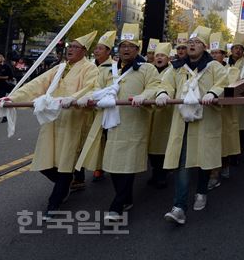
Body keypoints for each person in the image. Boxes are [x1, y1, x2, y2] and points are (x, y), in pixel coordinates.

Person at [0, 32, 99, 220]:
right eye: (70, 46)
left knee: (65, 163)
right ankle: (67, 182)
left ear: (84, 51)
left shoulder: (90, 69)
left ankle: (55, 201)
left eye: (75, 47)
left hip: (73, 121)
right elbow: (37, 84)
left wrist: (73, 99)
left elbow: (92, 88)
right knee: (45, 161)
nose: (70, 49)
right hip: (52, 120)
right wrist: (12, 97)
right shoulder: (59, 68)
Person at [75, 23, 161, 222]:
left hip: (133, 124)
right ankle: (126, 198)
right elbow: (96, 88)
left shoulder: (147, 68)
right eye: (123, 45)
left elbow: (156, 86)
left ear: (137, 50)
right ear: (118, 49)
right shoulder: (107, 70)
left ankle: (117, 204)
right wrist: (87, 98)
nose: (126, 49)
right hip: (109, 124)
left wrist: (144, 96)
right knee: (113, 166)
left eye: (131, 46)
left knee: (127, 165)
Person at [157, 26, 228, 225]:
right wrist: (163, 93)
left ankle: (202, 190)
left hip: (204, 120)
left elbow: (224, 82)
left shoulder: (214, 66)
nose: (191, 45)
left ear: (204, 47)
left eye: (196, 42)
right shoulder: (177, 67)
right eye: (189, 42)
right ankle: (179, 206)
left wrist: (213, 93)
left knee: (203, 158)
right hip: (183, 122)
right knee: (183, 162)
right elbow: (166, 83)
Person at [208, 32, 240, 189]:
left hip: (224, 112)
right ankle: (213, 174)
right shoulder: (205, 70)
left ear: (223, 54)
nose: (214, 56)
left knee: (224, 143)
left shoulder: (231, 70)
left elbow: (228, 89)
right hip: (208, 112)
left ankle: (223, 166)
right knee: (212, 144)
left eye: (217, 53)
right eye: (212, 53)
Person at [88, 30, 116, 182]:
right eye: (96, 48)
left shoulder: (113, 68)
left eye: (100, 48)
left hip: (102, 109)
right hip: (87, 109)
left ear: (108, 51)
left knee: (103, 138)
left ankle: (101, 166)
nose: (97, 51)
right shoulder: (90, 66)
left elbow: (111, 88)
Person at [147, 42, 175, 188]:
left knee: (161, 145)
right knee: (151, 146)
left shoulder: (172, 71)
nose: (159, 58)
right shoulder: (149, 70)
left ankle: (162, 173)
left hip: (165, 113)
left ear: (168, 58)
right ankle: (155, 172)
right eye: (157, 55)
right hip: (149, 113)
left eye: (162, 55)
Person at [0, 53, 14, 122]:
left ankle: (5, 116)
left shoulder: (6, 67)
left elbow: (10, 76)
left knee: (1, 102)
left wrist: (0, 77)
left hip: (2, 86)